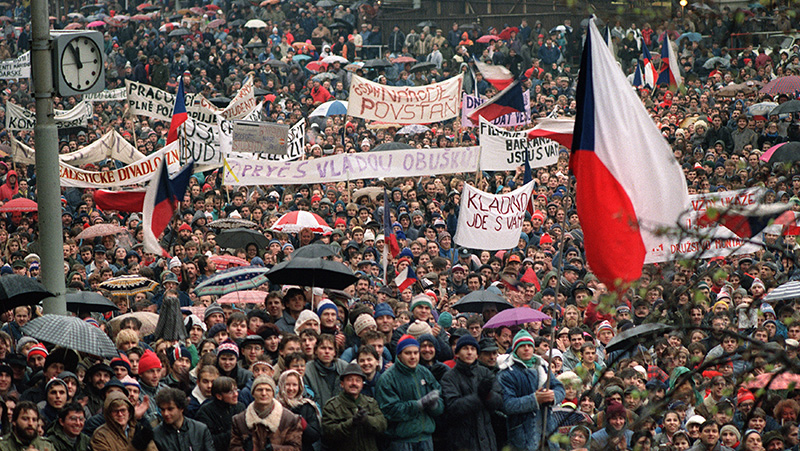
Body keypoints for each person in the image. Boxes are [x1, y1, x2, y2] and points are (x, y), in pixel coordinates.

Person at [497, 330, 565, 451]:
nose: (526, 349)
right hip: (523, 436)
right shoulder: (506, 373)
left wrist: (552, 396)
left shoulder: (542, 366)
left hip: (548, 431)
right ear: (515, 349)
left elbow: (559, 388)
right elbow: (507, 405)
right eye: (522, 346)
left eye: (529, 345)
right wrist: (534, 399)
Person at [376, 334, 444, 451]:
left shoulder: (425, 372)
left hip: (426, 438)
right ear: (399, 355)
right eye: (408, 353)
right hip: (401, 441)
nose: (413, 357)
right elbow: (389, 410)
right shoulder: (388, 378)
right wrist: (418, 405)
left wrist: (435, 406)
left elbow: (440, 397)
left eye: (415, 353)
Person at [441, 335, 503, 451]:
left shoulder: (485, 372)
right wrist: (479, 397)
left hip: (486, 438)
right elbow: (453, 407)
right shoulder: (449, 377)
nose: (469, 352)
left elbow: (499, 401)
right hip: (462, 440)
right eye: (465, 348)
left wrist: (489, 396)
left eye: (473, 349)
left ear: (477, 354)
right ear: (457, 353)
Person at [321, 363, 387, 451]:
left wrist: (367, 420)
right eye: (349, 380)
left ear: (362, 384)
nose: (354, 383)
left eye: (358, 380)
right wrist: (351, 423)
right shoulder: (332, 406)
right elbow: (328, 433)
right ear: (342, 384)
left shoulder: (371, 403)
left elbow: (382, 425)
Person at [230, 376, 303, 451]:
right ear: (253, 393)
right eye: (259, 390)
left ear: (273, 393)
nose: (264, 393)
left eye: (268, 390)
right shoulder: (239, 420)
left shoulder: (290, 419)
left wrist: (274, 449)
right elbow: (232, 447)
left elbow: (296, 448)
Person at [90, 392, 157, 451]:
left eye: (123, 410)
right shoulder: (100, 435)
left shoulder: (138, 429)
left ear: (129, 412)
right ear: (109, 414)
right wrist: (134, 446)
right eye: (115, 411)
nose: (120, 414)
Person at [195, 377, 244, 451]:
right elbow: (207, 440)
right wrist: (233, 433)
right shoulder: (205, 412)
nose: (236, 394)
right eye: (230, 392)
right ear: (219, 396)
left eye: (236, 390)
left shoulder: (240, 407)